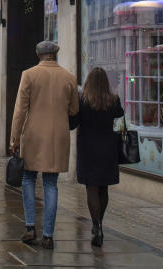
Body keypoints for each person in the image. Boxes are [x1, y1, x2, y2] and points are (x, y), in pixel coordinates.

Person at [9, 41, 80, 250]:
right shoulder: (69, 77)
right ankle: (48, 235)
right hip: (58, 137)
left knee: (28, 178)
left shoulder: (29, 75)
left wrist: (14, 140)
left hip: (33, 135)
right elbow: (75, 109)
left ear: (39, 55)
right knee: (51, 184)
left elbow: (20, 110)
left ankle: (30, 227)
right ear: (54, 55)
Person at [70, 66, 124, 247]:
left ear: (89, 82)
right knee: (104, 189)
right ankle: (99, 224)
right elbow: (120, 113)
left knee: (91, 188)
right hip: (108, 149)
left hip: (88, 149)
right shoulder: (112, 100)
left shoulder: (82, 100)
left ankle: (96, 226)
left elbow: (72, 123)